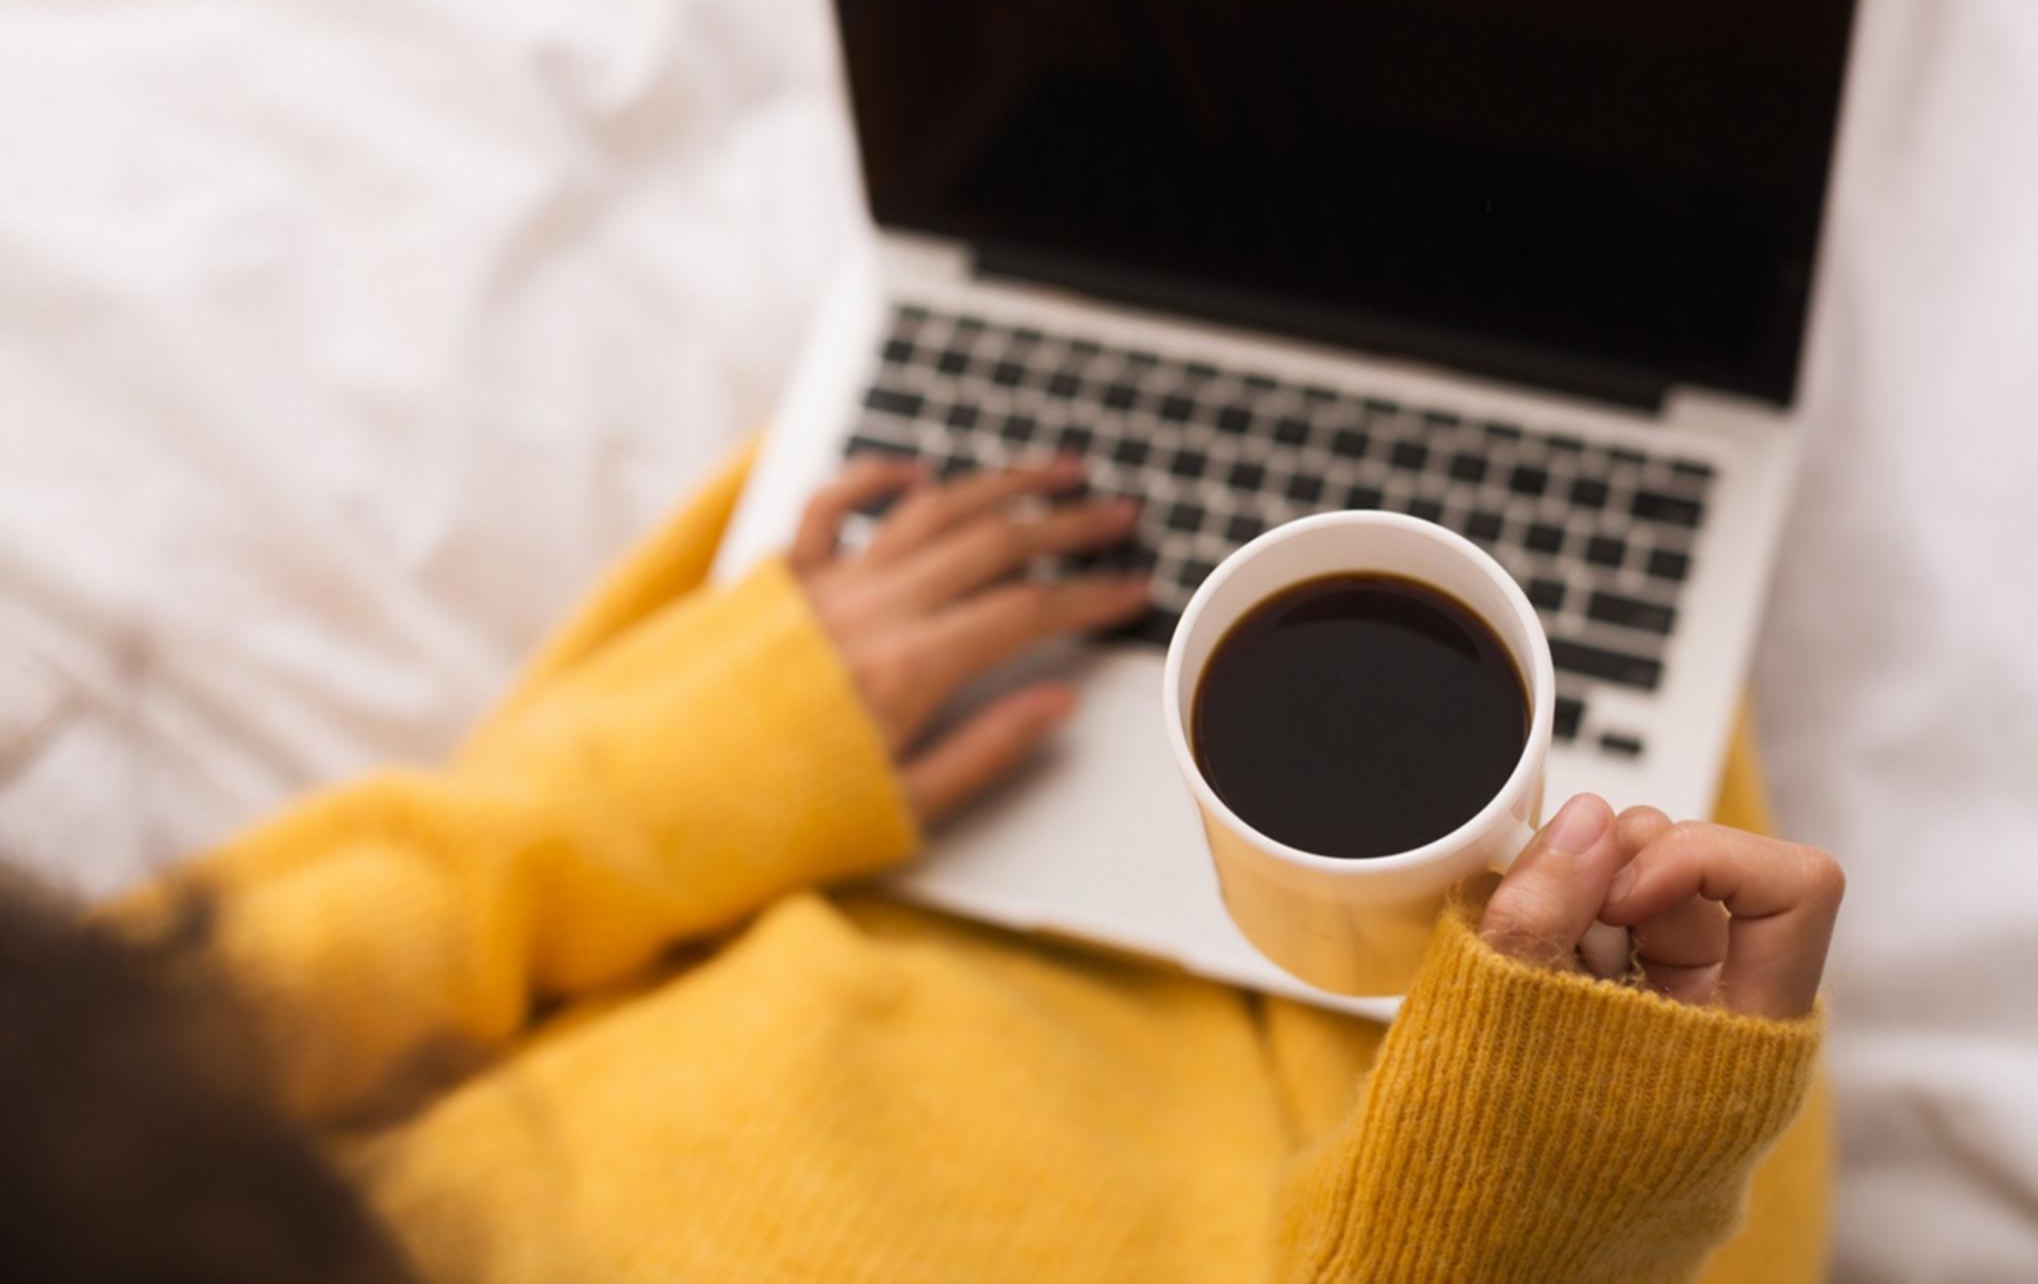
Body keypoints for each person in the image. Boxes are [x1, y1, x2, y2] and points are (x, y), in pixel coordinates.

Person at [0, 450, 1843, 1283]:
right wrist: (1509, 1220)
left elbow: (167, 1038)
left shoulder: (96, 1164)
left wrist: (659, 781)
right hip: (1460, 1085)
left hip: (891, 796)